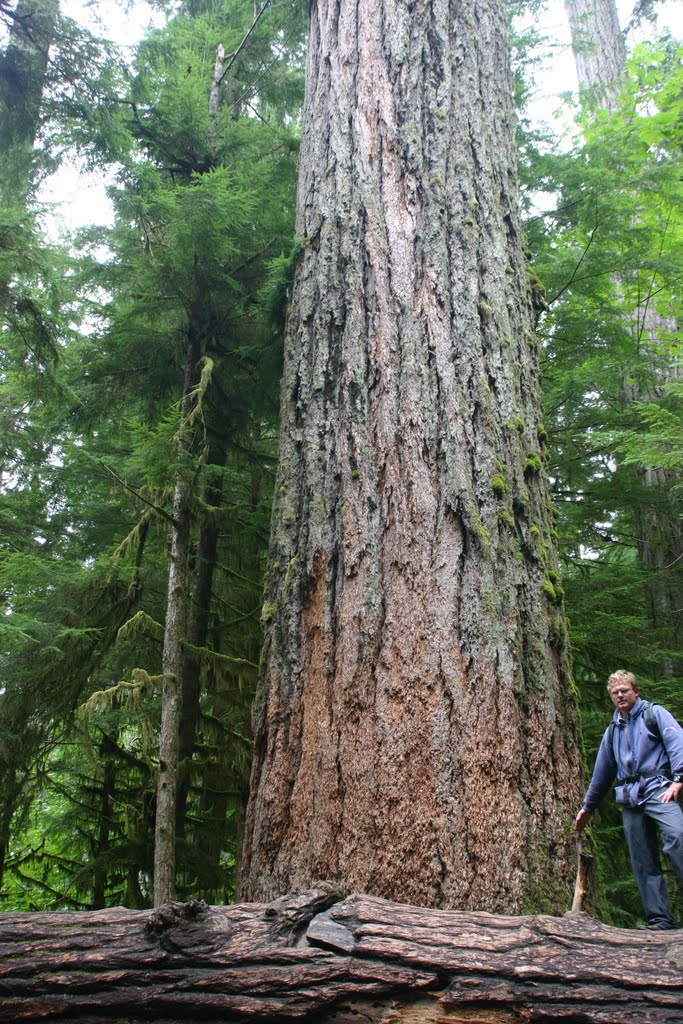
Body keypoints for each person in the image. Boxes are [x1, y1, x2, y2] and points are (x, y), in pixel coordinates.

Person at [575, 669, 683, 930]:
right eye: (615, 692)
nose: (620, 695)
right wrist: (588, 808)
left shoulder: (654, 714)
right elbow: (602, 774)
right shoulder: (613, 731)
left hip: (660, 789)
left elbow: (677, 741)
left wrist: (679, 779)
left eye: (625, 690)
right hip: (630, 800)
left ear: (635, 691)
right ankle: (660, 919)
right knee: (642, 859)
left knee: (677, 836)